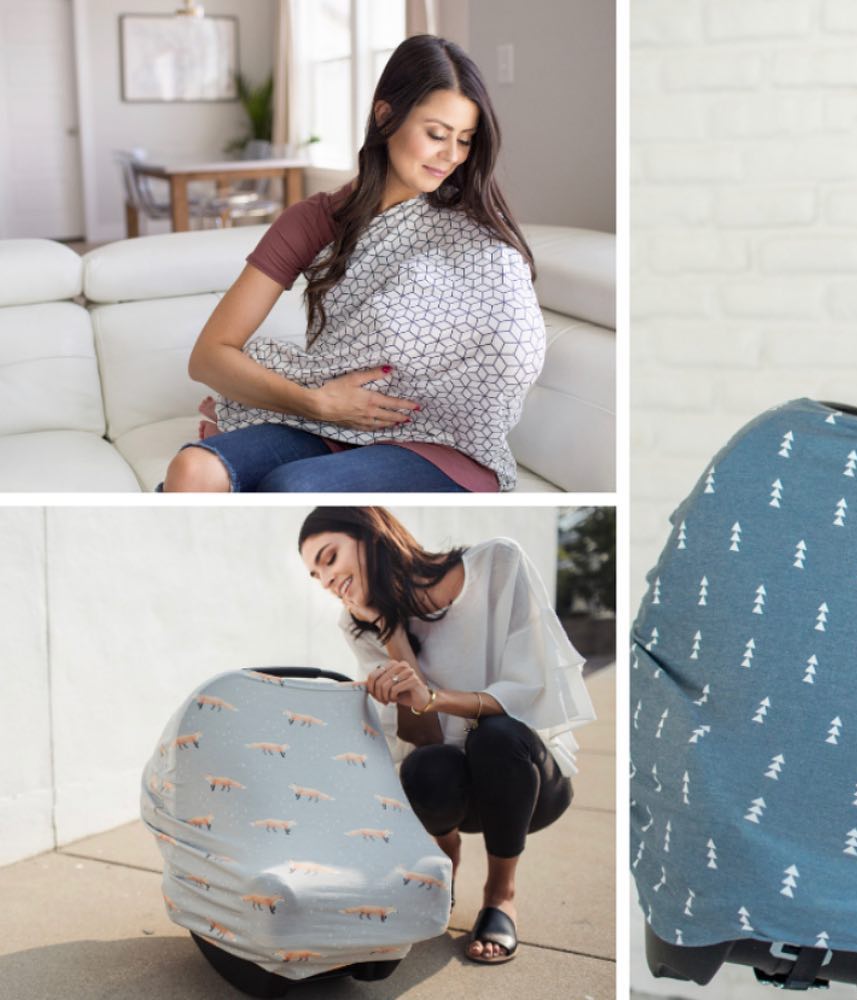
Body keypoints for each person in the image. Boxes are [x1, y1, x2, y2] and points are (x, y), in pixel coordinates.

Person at [162, 35, 544, 493]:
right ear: (386, 117)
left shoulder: (477, 228)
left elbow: (514, 346)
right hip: (331, 426)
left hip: (446, 447)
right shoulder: (314, 221)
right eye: (437, 135)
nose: (452, 156)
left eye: (465, 140)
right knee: (192, 470)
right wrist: (316, 404)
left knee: (292, 486)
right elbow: (209, 357)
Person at [297, 507, 596, 963]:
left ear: (369, 535)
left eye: (330, 557)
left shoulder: (496, 564)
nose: (326, 580)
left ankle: (501, 894)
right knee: (424, 768)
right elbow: (425, 739)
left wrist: (432, 695)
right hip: (456, 792)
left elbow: (528, 695)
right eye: (315, 574)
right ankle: (444, 854)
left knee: (496, 735)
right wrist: (390, 630)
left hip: (527, 782)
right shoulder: (359, 624)